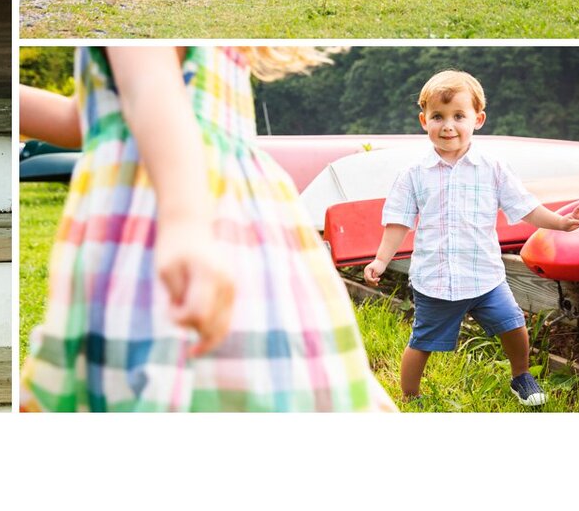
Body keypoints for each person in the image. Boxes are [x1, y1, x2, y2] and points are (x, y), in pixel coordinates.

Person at [20, 46, 393, 411]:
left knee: (171, 372)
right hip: (246, 225)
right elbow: (84, 117)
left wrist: (184, 226)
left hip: (160, 212)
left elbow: (152, 91)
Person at [363, 70, 579, 406]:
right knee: (422, 343)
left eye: (459, 116)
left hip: (485, 277)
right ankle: (410, 397)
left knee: (514, 326)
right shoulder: (414, 174)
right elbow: (397, 222)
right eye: (438, 117)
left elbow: (526, 207)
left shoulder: (492, 168)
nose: (448, 126)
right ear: (423, 120)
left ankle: (521, 377)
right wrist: (381, 260)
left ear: (478, 119)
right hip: (436, 280)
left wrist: (561, 222)